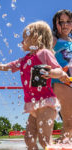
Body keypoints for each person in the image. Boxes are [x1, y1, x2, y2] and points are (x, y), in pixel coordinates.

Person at [0, 21, 69, 149]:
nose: (22, 41)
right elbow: (5, 67)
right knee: (29, 139)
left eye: (25, 37)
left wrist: (51, 73)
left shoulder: (44, 53)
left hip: (46, 104)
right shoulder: (24, 60)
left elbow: (59, 70)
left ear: (36, 37)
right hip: (33, 106)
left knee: (45, 141)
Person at [52, 9, 72, 143]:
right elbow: (44, 53)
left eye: (68, 21)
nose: (65, 25)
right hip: (60, 80)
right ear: (55, 24)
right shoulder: (54, 39)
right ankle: (64, 142)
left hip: (70, 80)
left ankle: (64, 140)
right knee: (68, 119)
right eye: (61, 22)